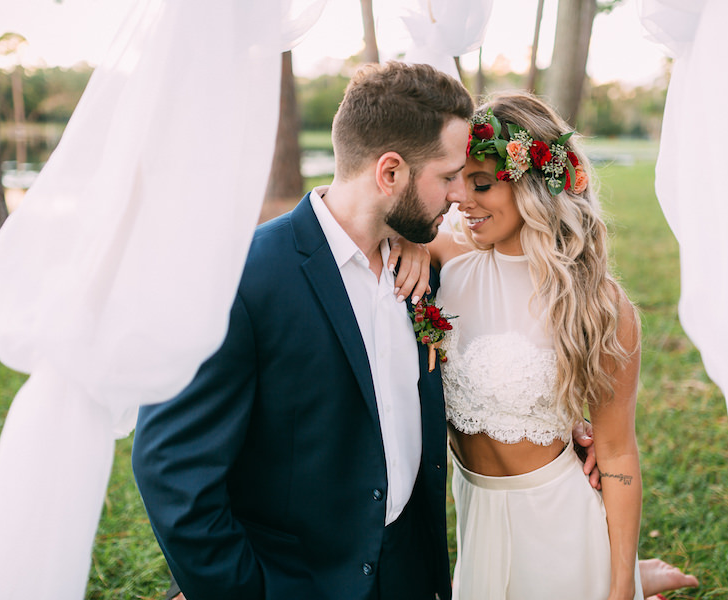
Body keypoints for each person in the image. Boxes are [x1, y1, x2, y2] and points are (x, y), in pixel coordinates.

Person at [130, 60, 474, 600]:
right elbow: (170, 470)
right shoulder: (241, 281)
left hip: (408, 568)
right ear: (390, 173)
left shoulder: (420, 267)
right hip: (298, 579)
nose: (458, 194)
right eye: (448, 176)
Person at [414, 92, 654, 599]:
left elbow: (615, 451)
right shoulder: (448, 257)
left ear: (534, 186)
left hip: (560, 528)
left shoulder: (598, 305)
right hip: (477, 519)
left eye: (482, 184)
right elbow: (359, 212)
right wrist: (409, 242)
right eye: (458, 180)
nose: (461, 198)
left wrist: (620, 587)